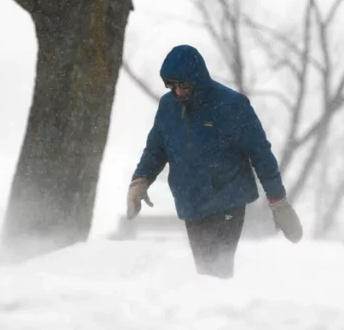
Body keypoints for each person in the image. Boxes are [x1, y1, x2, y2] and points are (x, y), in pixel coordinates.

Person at [127, 44, 303, 278]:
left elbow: (261, 154)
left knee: (217, 268)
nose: (177, 92)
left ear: (197, 80)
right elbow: (156, 149)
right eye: (172, 86)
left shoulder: (232, 105)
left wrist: (278, 201)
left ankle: (221, 308)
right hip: (191, 202)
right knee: (204, 270)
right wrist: (140, 180)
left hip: (228, 201)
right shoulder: (168, 107)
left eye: (183, 85)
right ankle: (215, 310)